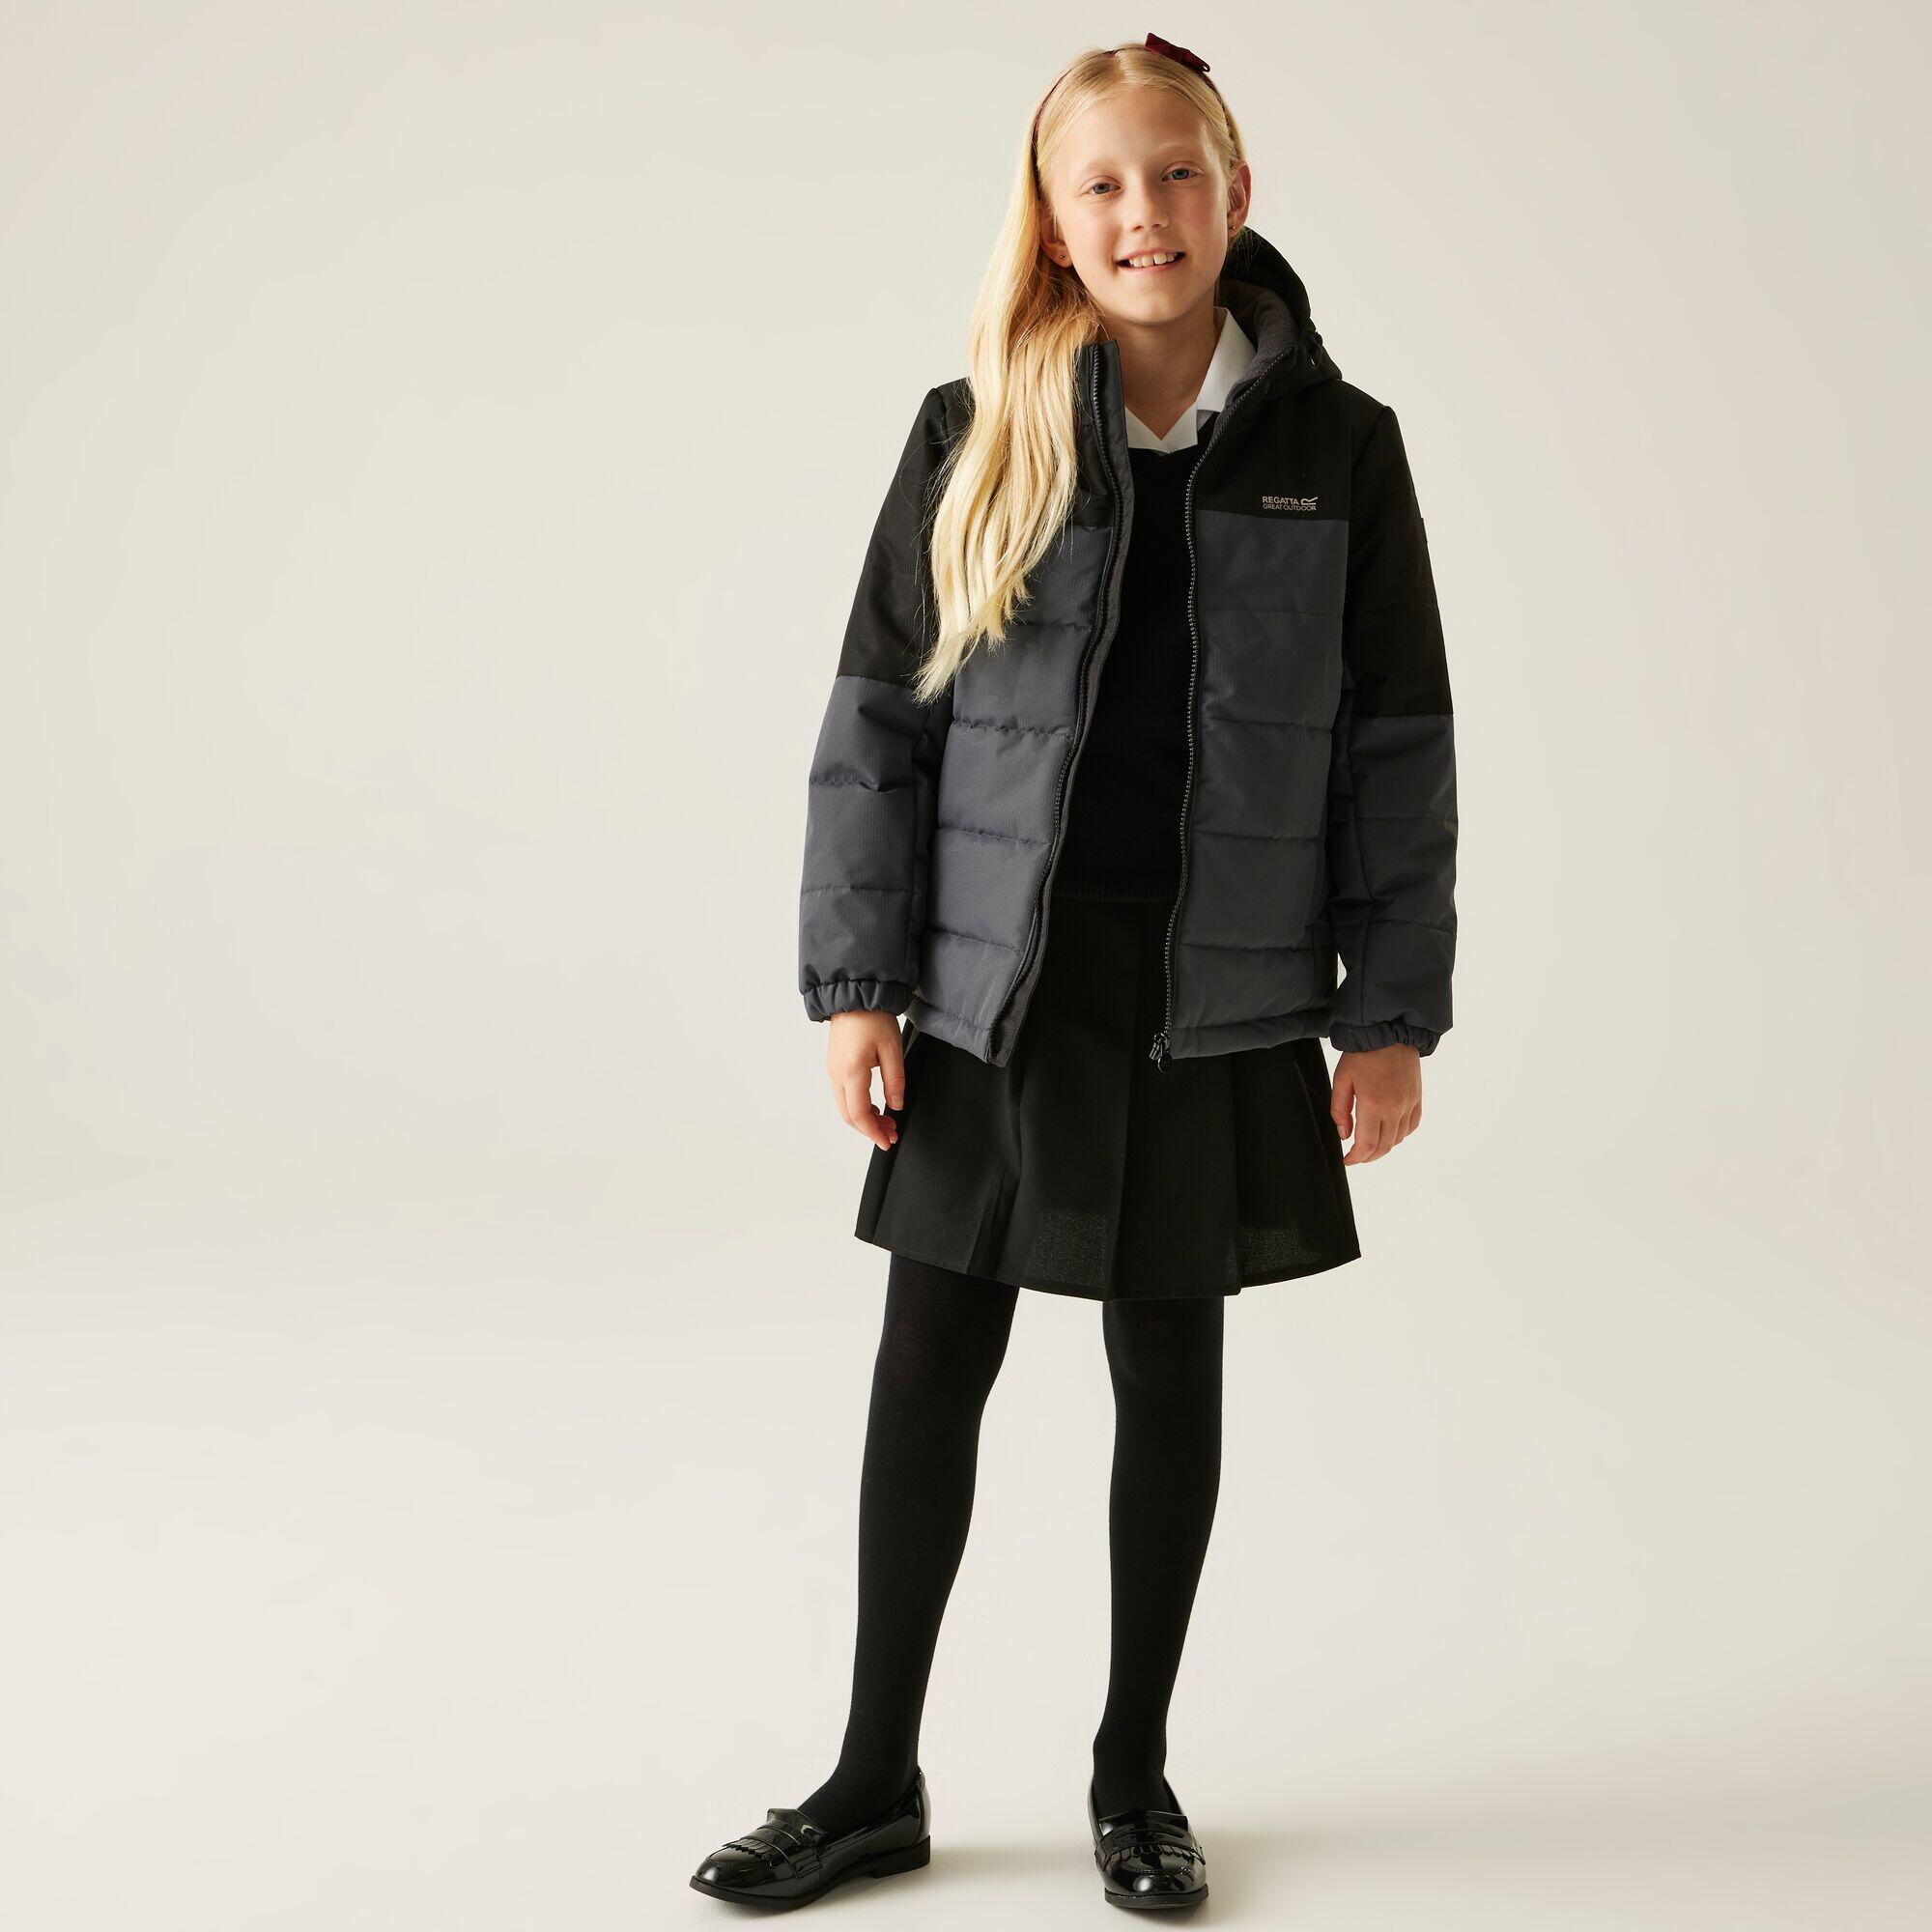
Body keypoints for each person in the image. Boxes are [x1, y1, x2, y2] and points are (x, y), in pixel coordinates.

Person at [691, 32, 1457, 1914]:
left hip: (1215, 989)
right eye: (1100, 184)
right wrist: (857, 981)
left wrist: (1388, 1014)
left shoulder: (1341, 451)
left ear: (1238, 193)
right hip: (996, 985)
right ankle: (871, 1777)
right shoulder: (974, 431)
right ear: (1048, 219)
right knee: (928, 1365)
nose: (1144, 215)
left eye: (1177, 174)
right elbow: (877, 724)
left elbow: (1398, 747)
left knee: (1167, 1371)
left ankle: (1134, 1774)